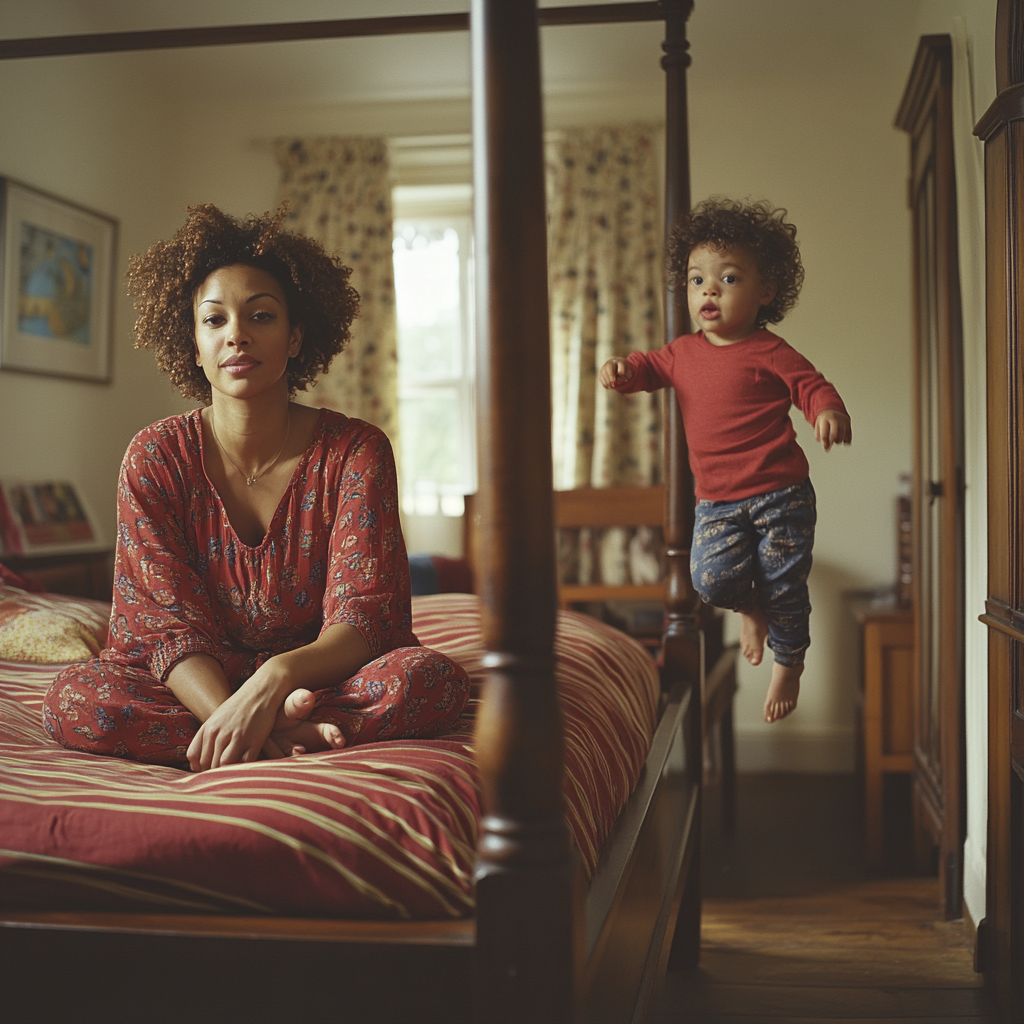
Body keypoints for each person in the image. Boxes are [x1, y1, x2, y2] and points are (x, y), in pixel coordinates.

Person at [43, 205, 470, 771]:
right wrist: (234, 714)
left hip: (315, 677)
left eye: (261, 316)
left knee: (426, 681)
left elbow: (365, 616)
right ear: (193, 345)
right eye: (215, 321)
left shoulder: (355, 452)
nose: (237, 335)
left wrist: (274, 679)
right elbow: (165, 629)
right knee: (76, 700)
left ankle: (252, 731)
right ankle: (292, 739)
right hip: (193, 685)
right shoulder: (155, 457)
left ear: (295, 338)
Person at [599, 198, 851, 723]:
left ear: (766, 292)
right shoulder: (682, 353)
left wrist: (826, 411)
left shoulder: (770, 350)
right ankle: (748, 612)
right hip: (716, 502)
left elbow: (812, 386)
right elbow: (647, 367)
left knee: (785, 584)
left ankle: (791, 662)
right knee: (709, 579)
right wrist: (624, 370)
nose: (708, 290)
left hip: (782, 495)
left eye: (728, 278)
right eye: (696, 280)